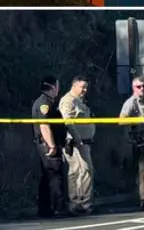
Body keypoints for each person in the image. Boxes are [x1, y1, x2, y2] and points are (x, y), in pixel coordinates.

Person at [119, 75, 144, 209]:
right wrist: (136, 124)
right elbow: (121, 120)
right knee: (143, 171)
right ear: (133, 88)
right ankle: (143, 198)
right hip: (138, 141)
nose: (142, 89)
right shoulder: (131, 103)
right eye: (138, 86)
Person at [58, 75, 96, 215]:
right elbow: (67, 121)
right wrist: (77, 139)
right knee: (79, 172)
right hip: (75, 143)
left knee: (84, 172)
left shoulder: (79, 101)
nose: (85, 90)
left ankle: (82, 202)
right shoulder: (68, 101)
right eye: (82, 87)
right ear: (74, 86)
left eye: (86, 87)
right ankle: (78, 203)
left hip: (83, 142)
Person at [32, 76, 68, 218]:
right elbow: (44, 126)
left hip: (47, 144)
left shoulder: (48, 102)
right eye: (57, 86)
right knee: (55, 176)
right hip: (47, 144)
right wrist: (52, 145)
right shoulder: (44, 103)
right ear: (53, 87)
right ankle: (58, 207)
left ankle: (46, 208)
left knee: (47, 176)